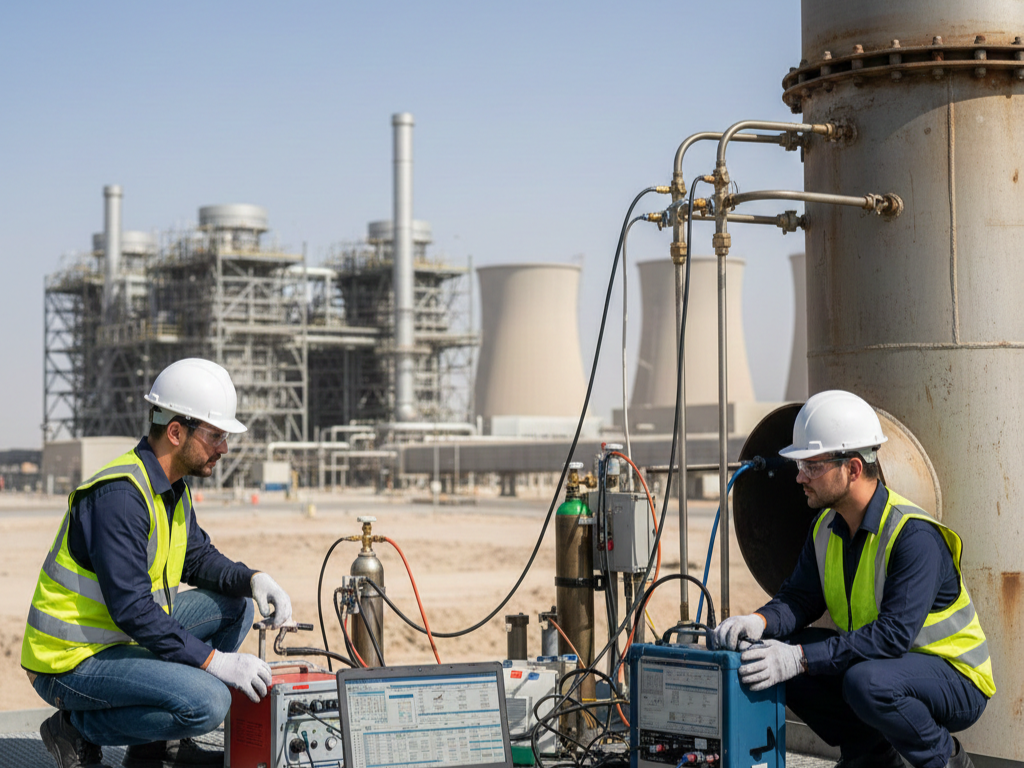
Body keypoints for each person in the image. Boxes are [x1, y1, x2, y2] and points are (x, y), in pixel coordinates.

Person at [23, 358, 294, 768]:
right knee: (209, 701)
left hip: (120, 639)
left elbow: (198, 558)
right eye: (216, 435)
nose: (224, 448)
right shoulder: (119, 496)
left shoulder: (172, 489)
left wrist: (254, 580)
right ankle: (75, 729)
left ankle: (158, 741)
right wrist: (215, 662)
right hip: (71, 661)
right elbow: (132, 608)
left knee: (234, 607)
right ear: (175, 431)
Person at [713, 390, 993, 768]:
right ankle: (872, 757)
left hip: (954, 677)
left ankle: (946, 762)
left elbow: (892, 636)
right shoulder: (826, 528)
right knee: (769, 651)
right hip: (884, 663)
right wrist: (758, 623)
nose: (799, 478)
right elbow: (799, 598)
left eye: (812, 466)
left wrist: (800, 659)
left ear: (854, 469)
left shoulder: (913, 537)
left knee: (864, 682)